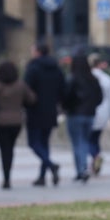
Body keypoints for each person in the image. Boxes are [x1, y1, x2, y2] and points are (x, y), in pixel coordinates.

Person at [23, 41, 66, 186]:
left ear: (38, 52)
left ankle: (51, 165)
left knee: (34, 143)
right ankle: (42, 176)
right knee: (44, 144)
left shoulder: (33, 68)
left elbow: (26, 89)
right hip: (51, 110)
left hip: (35, 110)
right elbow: (63, 89)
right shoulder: (56, 68)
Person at [0, 60, 35, 189]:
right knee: (10, 149)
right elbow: (31, 99)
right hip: (16, 121)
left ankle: (6, 178)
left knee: (4, 149)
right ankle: (8, 175)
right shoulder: (21, 85)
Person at [62, 53, 103, 182]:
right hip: (89, 114)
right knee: (85, 141)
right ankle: (82, 168)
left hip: (75, 114)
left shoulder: (72, 78)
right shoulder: (93, 79)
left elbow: (66, 96)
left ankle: (81, 169)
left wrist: (66, 107)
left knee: (77, 143)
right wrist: (92, 107)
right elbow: (99, 97)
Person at [88, 52, 110, 176]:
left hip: (90, 112)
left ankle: (95, 156)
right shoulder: (107, 79)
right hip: (104, 113)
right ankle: (96, 160)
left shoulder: (87, 77)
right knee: (95, 138)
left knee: (88, 139)